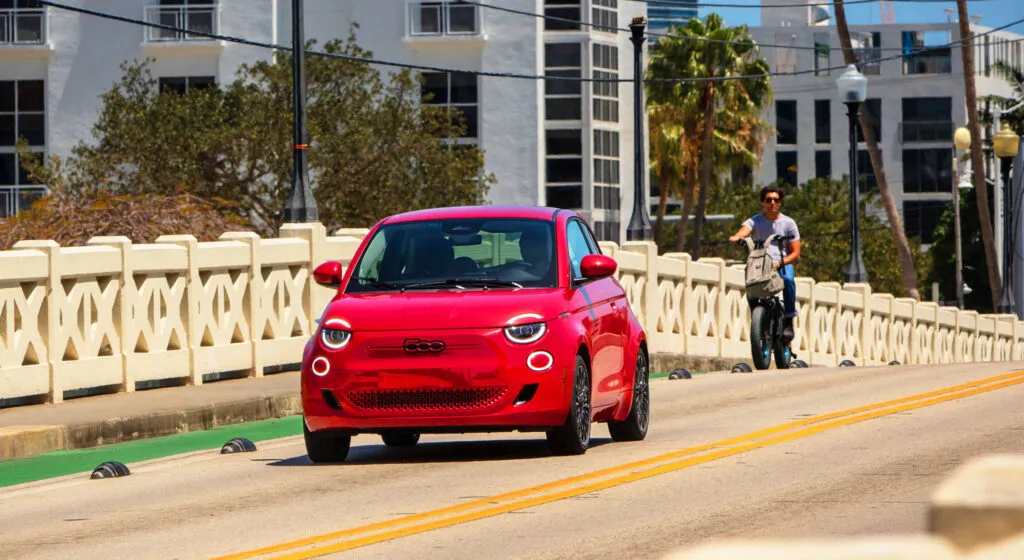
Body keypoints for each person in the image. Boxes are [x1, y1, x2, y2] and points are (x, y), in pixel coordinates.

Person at [729, 186, 802, 341]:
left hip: (780, 263)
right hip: (760, 263)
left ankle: (788, 320)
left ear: (780, 203)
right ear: (762, 202)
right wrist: (737, 237)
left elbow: (795, 254)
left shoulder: (789, 224)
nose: (772, 203)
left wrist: (779, 264)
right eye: (769, 200)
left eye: (776, 200)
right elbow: (744, 230)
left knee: (788, 280)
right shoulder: (755, 221)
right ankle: (758, 319)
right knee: (750, 284)